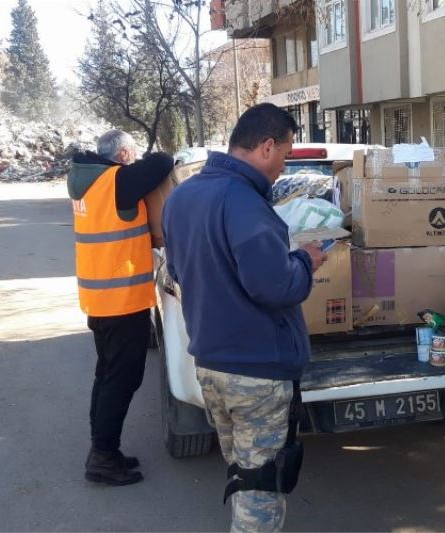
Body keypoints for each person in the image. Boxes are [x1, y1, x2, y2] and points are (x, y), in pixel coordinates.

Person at [162, 103, 327, 532]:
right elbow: (276, 287)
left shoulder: (182, 196)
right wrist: (306, 261)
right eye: (286, 155)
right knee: (260, 488)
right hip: (258, 373)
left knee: (241, 472)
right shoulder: (245, 205)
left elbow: (177, 272)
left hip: (212, 367)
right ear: (267, 146)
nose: (283, 167)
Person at [68, 130, 173, 486]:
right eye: (131, 153)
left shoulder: (87, 181)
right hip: (121, 300)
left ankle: (103, 449)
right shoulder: (117, 181)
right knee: (122, 379)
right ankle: (102, 457)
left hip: (100, 299)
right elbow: (162, 162)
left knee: (107, 376)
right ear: (125, 154)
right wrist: (138, 160)